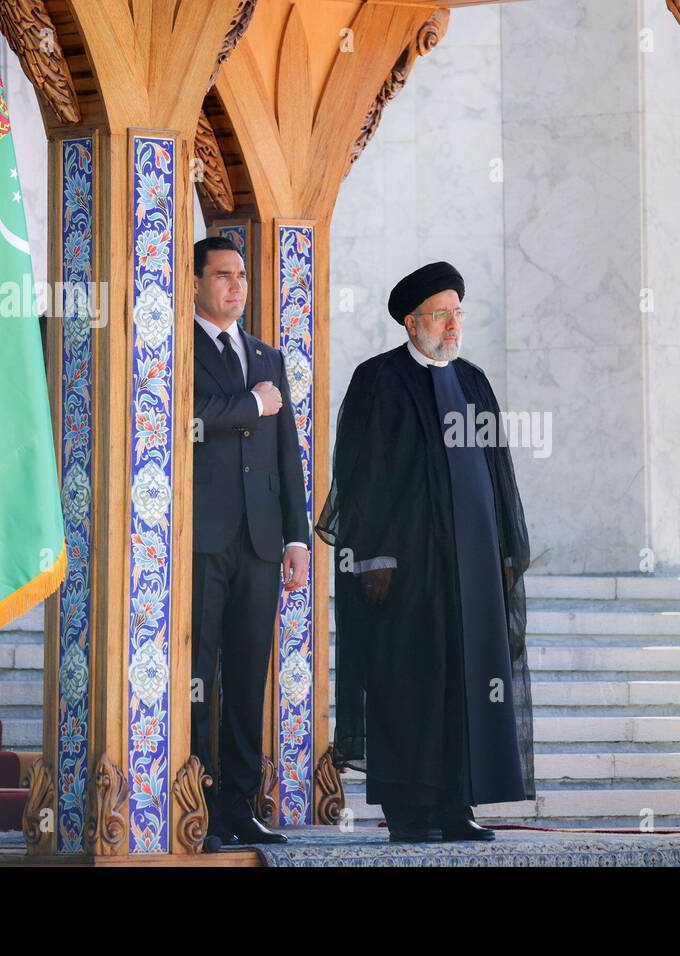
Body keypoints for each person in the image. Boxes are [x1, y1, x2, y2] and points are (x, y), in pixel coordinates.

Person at [316, 261, 536, 842]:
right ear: (412, 323)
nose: (453, 326)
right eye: (441, 315)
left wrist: (508, 550)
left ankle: (455, 805)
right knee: (410, 681)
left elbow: (498, 472)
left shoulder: (474, 381)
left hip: (472, 568)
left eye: (457, 313)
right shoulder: (378, 380)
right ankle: (410, 811)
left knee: (467, 680)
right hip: (406, 568)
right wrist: (373, 556)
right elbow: (359, 477)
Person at [190, 236, 309, 850]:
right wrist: (249, 406)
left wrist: (297, 538)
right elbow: (183, 414)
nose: (236, 286)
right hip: (199, 539)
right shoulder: (176, 346)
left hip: (262, 541)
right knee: (196, 674)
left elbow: (287, 454)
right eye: (222, 276)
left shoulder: (267, 355)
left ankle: (239, 807)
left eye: (241, 276)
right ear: (195, 283)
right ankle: (195, 805)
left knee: (246, 675)